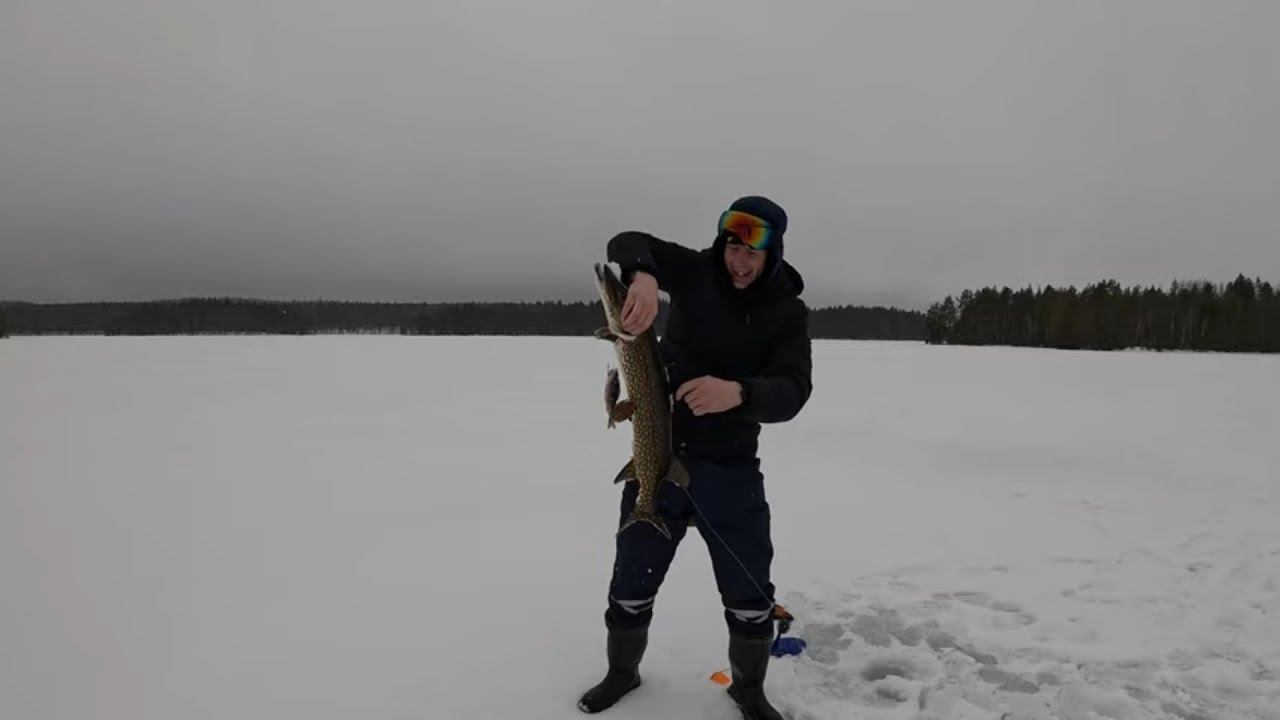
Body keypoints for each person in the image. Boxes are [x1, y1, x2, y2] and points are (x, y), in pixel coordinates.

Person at [578, 196, 813, 720]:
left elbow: (795, 389)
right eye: (731, 246)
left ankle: (748, 690)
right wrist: (640, 275)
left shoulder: (786, 312)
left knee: (751, 593)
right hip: (659, 460)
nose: (738, 261)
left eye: (752, 251)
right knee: (631, 579)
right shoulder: (694, 272)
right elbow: (627, 241)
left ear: (772, 251)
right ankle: (622, 673)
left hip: (731, 469)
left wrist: (740, 394)